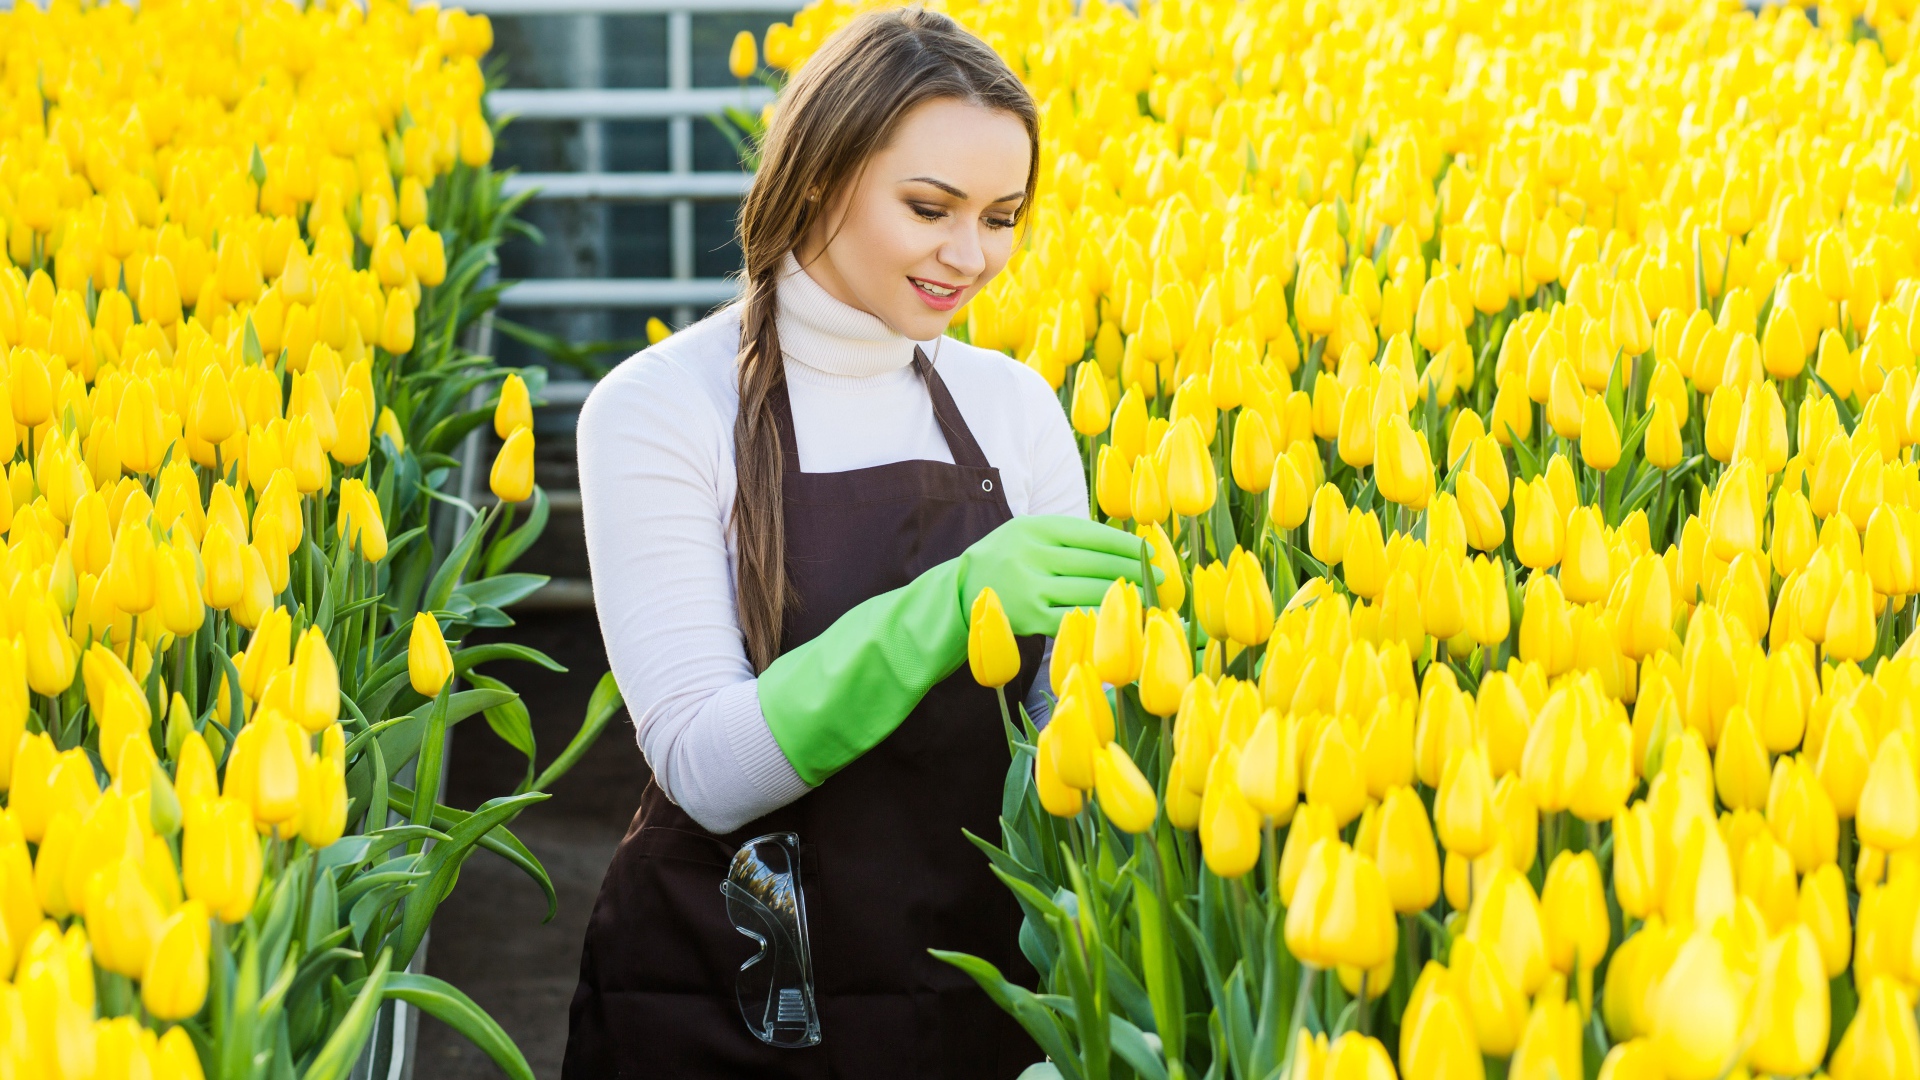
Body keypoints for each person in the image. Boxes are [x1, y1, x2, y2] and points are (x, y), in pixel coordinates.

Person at [563, 8, 1151, 1077]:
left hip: (976, 970)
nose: (970, 257)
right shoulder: (660, 407)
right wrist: (950, 605)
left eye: (1002, 217)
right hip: (735, 988)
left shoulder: (1013, 406)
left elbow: (1059, 730)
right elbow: (704, 766)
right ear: (819, 178)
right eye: (929, 208)